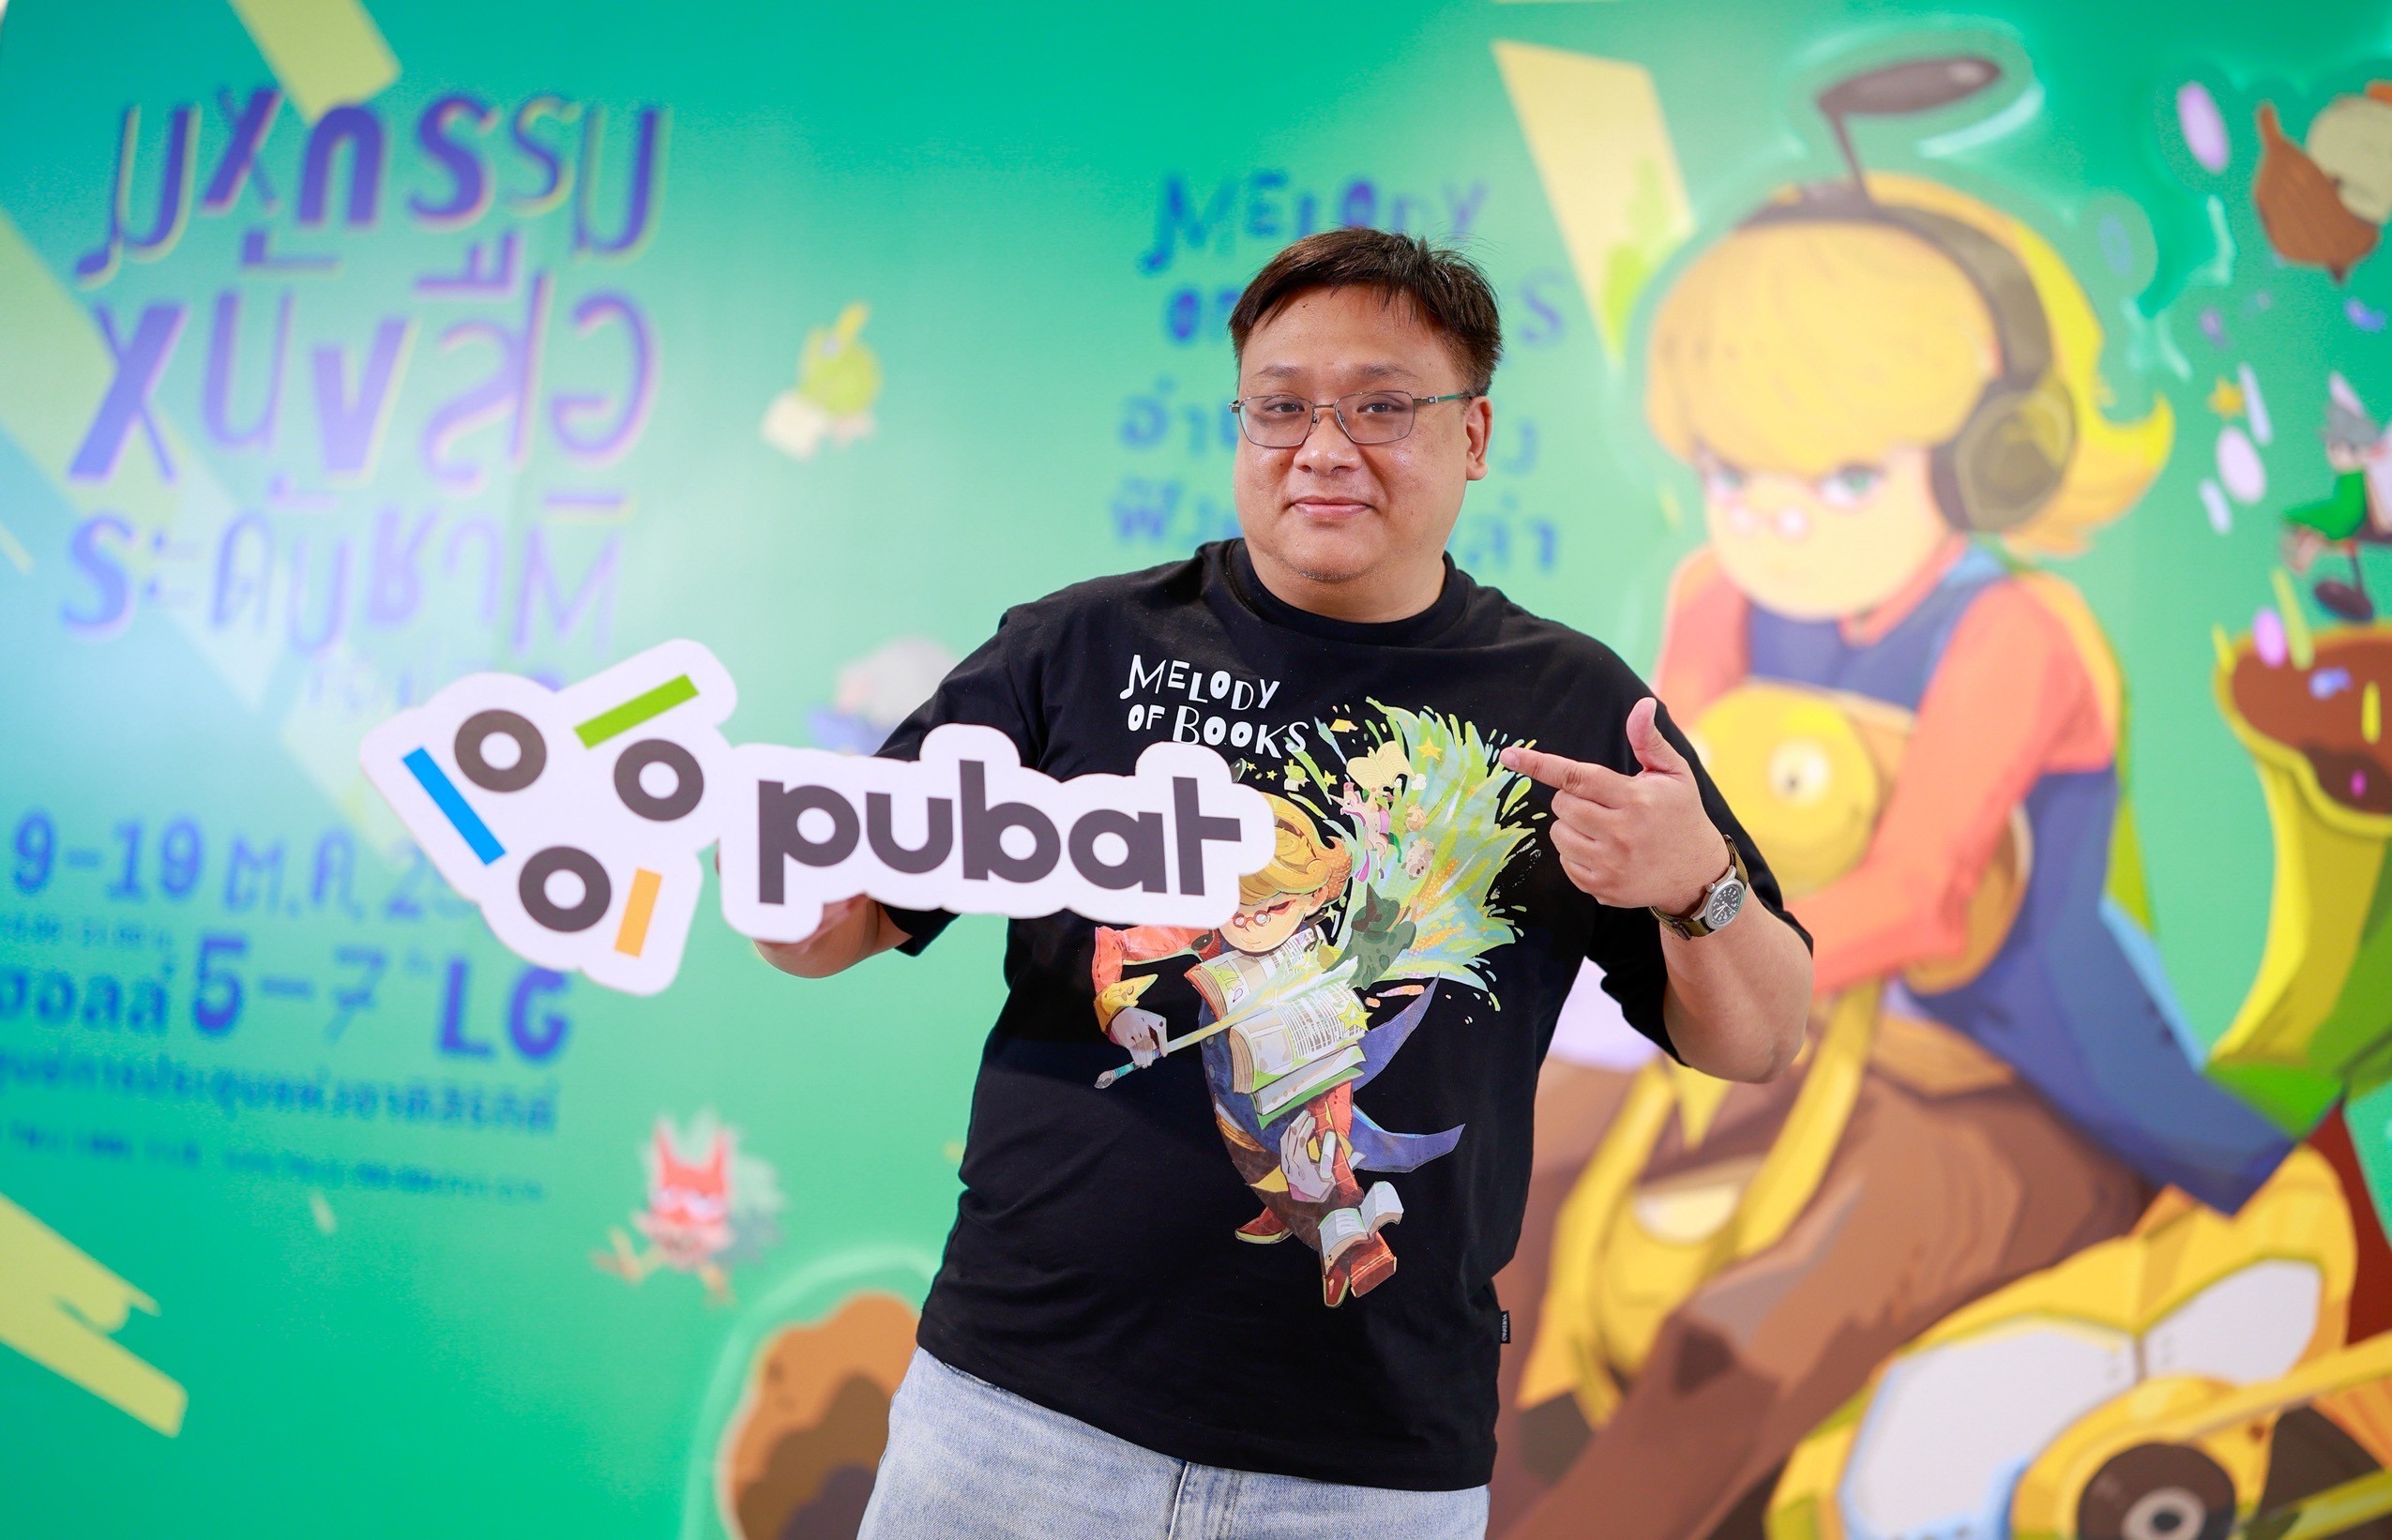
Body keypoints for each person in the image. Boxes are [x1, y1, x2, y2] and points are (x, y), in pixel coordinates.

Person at [757, 227, 1814, 1539]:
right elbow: (849, 916)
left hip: (1367, 1473)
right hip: (1015, 1422)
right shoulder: (1081, 645)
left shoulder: (1572, 705)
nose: (1322, 448)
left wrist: (1697, 883)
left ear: (1474, 435)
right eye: (1280, 407)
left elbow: (1762, 1036)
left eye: (1380, 407)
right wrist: (784, 894)